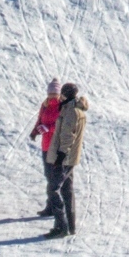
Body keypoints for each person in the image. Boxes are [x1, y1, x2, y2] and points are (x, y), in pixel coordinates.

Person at [43, 83, 88, 238]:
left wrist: (60, 157)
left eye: (62, 94)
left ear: (66, 95)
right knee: (67, 190)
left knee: (53, 189)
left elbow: (68, 137)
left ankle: (61, 226)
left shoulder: (71, 112)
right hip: (70, 158)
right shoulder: (74, 110)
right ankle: (70, 226)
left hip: (65, 158)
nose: (60, 96)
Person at [29, 80, 62, 216]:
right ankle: (50, 206)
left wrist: (49, 128)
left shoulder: (62, 107)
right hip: (45, 146)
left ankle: (58, 207)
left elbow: (62, 125)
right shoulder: (45, 105)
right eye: (50, 93)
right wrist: (35, 130)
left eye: (55, 93)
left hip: (56, 146)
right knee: (49, 176)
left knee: (56, 178)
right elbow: (40, 120)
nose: (52, 95)